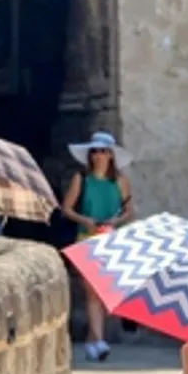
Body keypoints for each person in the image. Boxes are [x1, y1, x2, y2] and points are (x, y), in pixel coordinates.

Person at [61, 131, 134, 361]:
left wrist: (115, 221)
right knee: (92, 292)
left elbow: (129, 210)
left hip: (112, 240)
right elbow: (67, 208)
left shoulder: (120, 181)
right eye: (95, 151)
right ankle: (100, 341)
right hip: (87, 239)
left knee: (105, 292)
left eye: (103, 151)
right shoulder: (80, 179)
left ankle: (93, 341)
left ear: (111, 155)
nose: (98, 156)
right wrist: (85, 220)